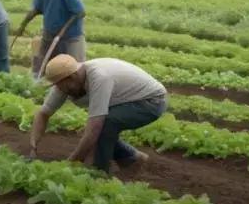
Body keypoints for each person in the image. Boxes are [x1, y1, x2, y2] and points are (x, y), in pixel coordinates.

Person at [30, 54, 167, 172]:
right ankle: (131, 157)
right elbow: (43, 114)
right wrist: (33, 145)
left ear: (72, 76)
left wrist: (72, 162)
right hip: (127, 100)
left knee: (104, 124)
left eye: (60, 84)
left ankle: (98, 171)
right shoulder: (65, 84)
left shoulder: (99, 77)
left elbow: (95, 128)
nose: (58, 89)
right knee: (95, 129)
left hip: (151, 102)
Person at [16, 0, 87, 75]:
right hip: (49, 32)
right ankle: (36, 82)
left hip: (71, 37)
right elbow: (37, 8)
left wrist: (62, 32)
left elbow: (80, 12)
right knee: (41, 65)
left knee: (74, 69)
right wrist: (23, 25)